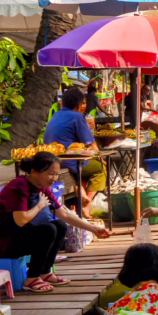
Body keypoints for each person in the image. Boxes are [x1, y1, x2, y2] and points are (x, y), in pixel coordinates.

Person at [0, 152, 110, 293]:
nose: (54, 178)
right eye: (50, 174)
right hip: (5, 242)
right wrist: (39, 205)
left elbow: (63, 214)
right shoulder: (18, 187)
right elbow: (20, 221)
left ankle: (44, 272)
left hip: (20, 236)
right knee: (48, 229)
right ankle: (31, 278)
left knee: (60, 226)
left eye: (56, 174)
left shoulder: (42, 187)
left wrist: (93, 229)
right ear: (34, 172)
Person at [43, 87, 106, 218]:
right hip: (68, 162)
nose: (84, 106)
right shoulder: (77, 116)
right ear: (79, 104)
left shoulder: (56, 114)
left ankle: (81, 192)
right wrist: (101, 159)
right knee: (100, 169)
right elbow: (91, 144)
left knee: (85, 168)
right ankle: (86, 203)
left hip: (51, 160)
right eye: (83, 103)